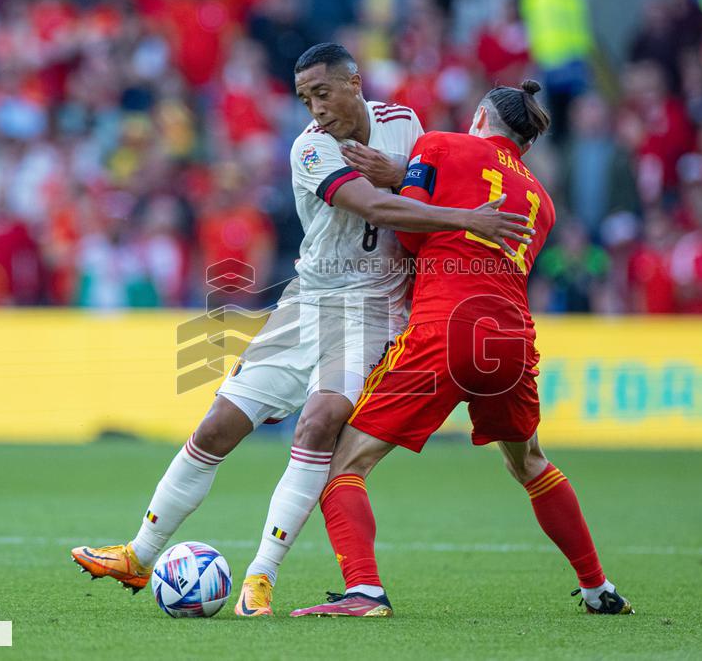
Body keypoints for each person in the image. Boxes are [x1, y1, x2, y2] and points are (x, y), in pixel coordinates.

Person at [70, 43, 533, 617]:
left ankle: (261, 576)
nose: (314, 108)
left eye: (322, 92)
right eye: (304, 98)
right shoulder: (310, 149)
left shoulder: (404, 123)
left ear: (354, 83)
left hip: (371, 312)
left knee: (317, 423)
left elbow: (422, 186)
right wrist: (465, 217)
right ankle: (140, 556)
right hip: (306, 303)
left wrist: (411, 181)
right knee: (217, 426)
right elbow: (381, 209)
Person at [291, 81, 633, 618]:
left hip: (445, 326)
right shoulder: (542, 201)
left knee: (345, 463)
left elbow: (407, 235)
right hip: (511, 338)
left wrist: (401, 180)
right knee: (531, 465)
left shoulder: (440, 145)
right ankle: (598, 587)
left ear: (479, 117)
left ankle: (364, 591)